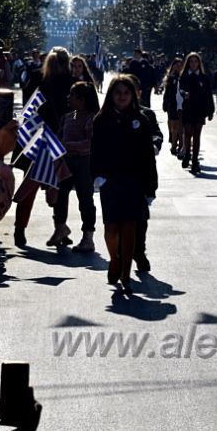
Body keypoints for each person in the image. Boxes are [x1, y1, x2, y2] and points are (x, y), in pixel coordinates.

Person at [91, 75, 158, 294]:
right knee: (111, 229)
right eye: (118, 93)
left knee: (130, 227)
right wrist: (97, 176)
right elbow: (96, 151)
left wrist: (150, 187)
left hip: (134, 181)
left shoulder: (142, 120)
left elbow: (149, 155)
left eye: (126, 93)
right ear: (111, 95)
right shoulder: (101, 120)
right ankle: (115, 260)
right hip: (110, 181)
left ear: (133, 96)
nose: (122, 97)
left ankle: (127, 275)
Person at [13, 47, 76, 247]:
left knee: (29, 185)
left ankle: (20, 229)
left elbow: (27, 107)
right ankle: (60, 228)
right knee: (59, 186)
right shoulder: (72, 82)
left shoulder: (37, 79)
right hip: (59, 139)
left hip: (36, 137)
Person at [50, 82, 99, 252]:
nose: (68, 98)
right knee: (59, 196)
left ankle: (88, 237)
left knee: (85, 199)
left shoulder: (91, 118)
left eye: (72, 94)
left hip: (84, 163)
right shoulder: (67, 117)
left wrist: (67, 145)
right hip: (65, 163)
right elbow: (58, 139)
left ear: (82, 99)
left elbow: (90, 144)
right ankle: (60, 228)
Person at [125, 73, 163, 273]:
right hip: (118, 174)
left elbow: (157, 133)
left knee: (141, 216)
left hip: (142, 172)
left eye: (130, 92)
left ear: (138, 94)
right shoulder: (110, 114)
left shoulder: (147, 114)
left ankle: (139, 251)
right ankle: (121, 255)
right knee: (119, 217)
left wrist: (155, 144)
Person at [177, 52, 215, 173]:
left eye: (195, 61)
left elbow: (208, 95)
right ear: (188, 63)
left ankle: (194, 161)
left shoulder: (203, 77)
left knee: (197, 135)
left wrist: (210, 110)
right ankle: (187, 154)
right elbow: (181, 89)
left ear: (199, 63)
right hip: (188, 108)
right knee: (188, 133)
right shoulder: (184, 76)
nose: (193, 64)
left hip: (200, 109)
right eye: (191, 61)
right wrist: (184, 94)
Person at [163, 57, 184, 156]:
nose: (179, 67)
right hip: (172, 104)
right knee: (174, 126)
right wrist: (165, 103)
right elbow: (167, 92)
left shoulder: (185, 77)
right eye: (177, 65)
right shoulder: (171, 77)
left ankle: (181, 145)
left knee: (181, 126)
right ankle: (174, 145)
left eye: (181, 65)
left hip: (183, 104)